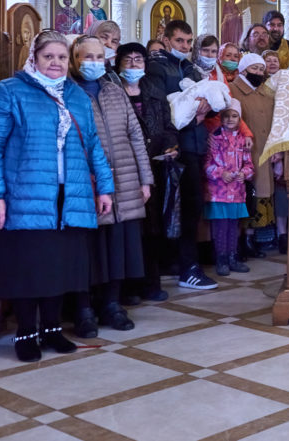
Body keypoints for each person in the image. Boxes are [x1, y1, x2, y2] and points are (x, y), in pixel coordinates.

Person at [0, 29, 114, 362]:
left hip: (70, 195)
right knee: (29, 267)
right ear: (34, 58)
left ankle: (51, 328)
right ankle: (26, 332)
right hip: (26, 195)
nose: (56, 63)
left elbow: (92, 144)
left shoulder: (77, 95)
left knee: (59, 266)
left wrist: (105, 186)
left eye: (62, 57)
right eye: (48, 56)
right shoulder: (8, 92)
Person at [68, 35, 152, 337]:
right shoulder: (68, 92)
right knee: (88, 248)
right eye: (86, 57)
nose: (94, 62)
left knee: (119, 246)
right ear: (74, 59)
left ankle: (112, 304)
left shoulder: (114, 91)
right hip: (87, 182)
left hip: (125, 180)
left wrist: (145, 178)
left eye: (99, 57)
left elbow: (134, 136)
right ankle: (84, 309)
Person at [145, 19, 220, 291]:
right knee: (180, 210)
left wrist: (205, 107)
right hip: (175, 148)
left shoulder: (190, 67)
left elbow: (209, 98)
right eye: (180, 41)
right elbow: (160, 109)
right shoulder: (156, 68)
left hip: (196, 145)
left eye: (189, 42)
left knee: (192, 209)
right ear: (166, 41)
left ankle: (183, 264)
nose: (186, 47)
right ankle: (185, 268)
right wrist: (190, 119)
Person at [115, 42, 177, 303]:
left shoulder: (153, 88)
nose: (133, 64)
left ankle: (151, 283)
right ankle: (129, 287)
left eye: (138, 59)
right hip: (124, 169)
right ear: (118, 64)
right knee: (130, 231)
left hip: (153, 166)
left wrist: (172, 145)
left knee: (152, 230)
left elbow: (167, 124)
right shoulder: (113, 92)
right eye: (127, 60)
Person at [230, 53, 275, 260]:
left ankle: (250, 239)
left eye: (261, 69)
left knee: (258, 196)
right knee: (243, 195)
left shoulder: (266, 92)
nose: (258, 73)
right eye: (254, 69)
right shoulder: (233, 90)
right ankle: (237, 242)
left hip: (264, 151)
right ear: (244, 69)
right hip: (241, 154)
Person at [204, 99, 254, 276]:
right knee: (220, 226)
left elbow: (249, 165)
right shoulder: (213, 138)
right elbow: (207, 164)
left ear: (240, 119)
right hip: (218, 192)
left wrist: (245, 174)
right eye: (226, 116)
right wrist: (220, 173)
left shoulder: (243, 141)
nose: (230, 119)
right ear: (221, 118)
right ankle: (221, 259)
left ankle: (233, 258)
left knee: (234, 225)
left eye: (234, 116)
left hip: (238, 192)